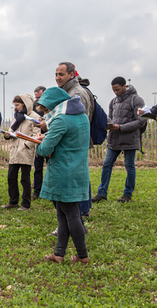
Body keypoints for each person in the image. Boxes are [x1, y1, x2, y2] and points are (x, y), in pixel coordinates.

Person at [35, 87, 90, 264]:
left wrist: (39, 141)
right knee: (63, 214)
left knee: (72, 215)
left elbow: (44, 150)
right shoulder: (82, 116)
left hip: (63, 171)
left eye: (46, 110)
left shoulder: (61, 120)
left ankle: (82, 256)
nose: (46, 113)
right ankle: (58, 254)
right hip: (78, 170)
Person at [92, 76, 146, 203]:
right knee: (106, 164)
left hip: (130, 139)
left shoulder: (136, 100)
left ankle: (127, 194)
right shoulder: (113, 102)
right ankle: (101, 193)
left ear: (124, 86)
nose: (115, 92)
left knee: (129, 166)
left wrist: (120, 127)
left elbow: (140, 121)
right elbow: (111, 118)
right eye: (113, 90)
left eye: (117, 89)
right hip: (114, 138)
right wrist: (109, 125)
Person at [55, 62, 95, 217]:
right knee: (80, 174)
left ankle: (81, 211)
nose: (57, 78)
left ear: (72, 75)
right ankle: (82, 210)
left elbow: (79, 122)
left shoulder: (77, 93)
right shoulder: (67, 91)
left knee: (77, 176)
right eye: (56, 74)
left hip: (75, 143)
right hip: (73, 142)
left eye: (61, 74)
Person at [2, 94, 41, 211]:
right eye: (15, 105)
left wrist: (27, 145)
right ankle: (13, 201)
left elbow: (36, 135)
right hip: (15, 151)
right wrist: (8, 134)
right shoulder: (16, 117)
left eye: (17, 105)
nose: (15, 107)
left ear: (25, 104)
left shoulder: (34, 117)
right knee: (11, 177)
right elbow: (12, 129)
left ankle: (26, 204)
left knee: (25, 179)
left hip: (25, 151)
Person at [32, 86, 47, 200]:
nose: (38, 100)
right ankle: (37, 191)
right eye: (36, 98)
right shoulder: (33, 106)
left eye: (39, 97)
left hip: (49, 139)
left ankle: (50, 190)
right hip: (37, 139)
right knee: (38, 167)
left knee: (52, 166)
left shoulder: (51, 106)